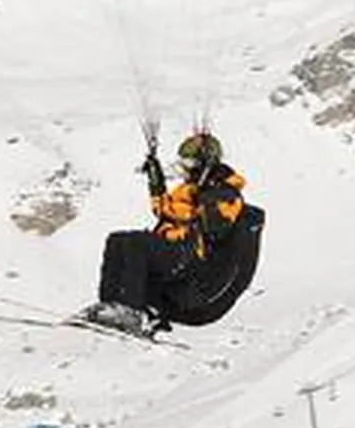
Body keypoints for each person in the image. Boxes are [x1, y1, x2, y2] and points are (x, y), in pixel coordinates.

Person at [90, 128, 263, 332]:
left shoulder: (226, 192)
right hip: (173, 246)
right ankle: (110, 307)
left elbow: (216, 228)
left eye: (188, 163)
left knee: (136, 245)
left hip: (189, 255)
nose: (184, 168)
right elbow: (165, 210)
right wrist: (156, 179)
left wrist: (207, 190)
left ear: (204, 163)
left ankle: (130, 311)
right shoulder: (188, 188)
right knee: (117, 240)